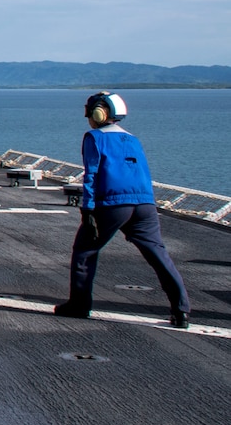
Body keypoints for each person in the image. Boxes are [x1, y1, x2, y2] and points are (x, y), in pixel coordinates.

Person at [53, 92, 190, 328]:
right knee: (159, 256)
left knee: (85, 251)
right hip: (145, 205)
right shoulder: (133, 139)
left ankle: (79, 305)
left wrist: (87, 210)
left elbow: (91, 175)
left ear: (98, 113)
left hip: (112, 204)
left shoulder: (94, 137)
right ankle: (181, 311)